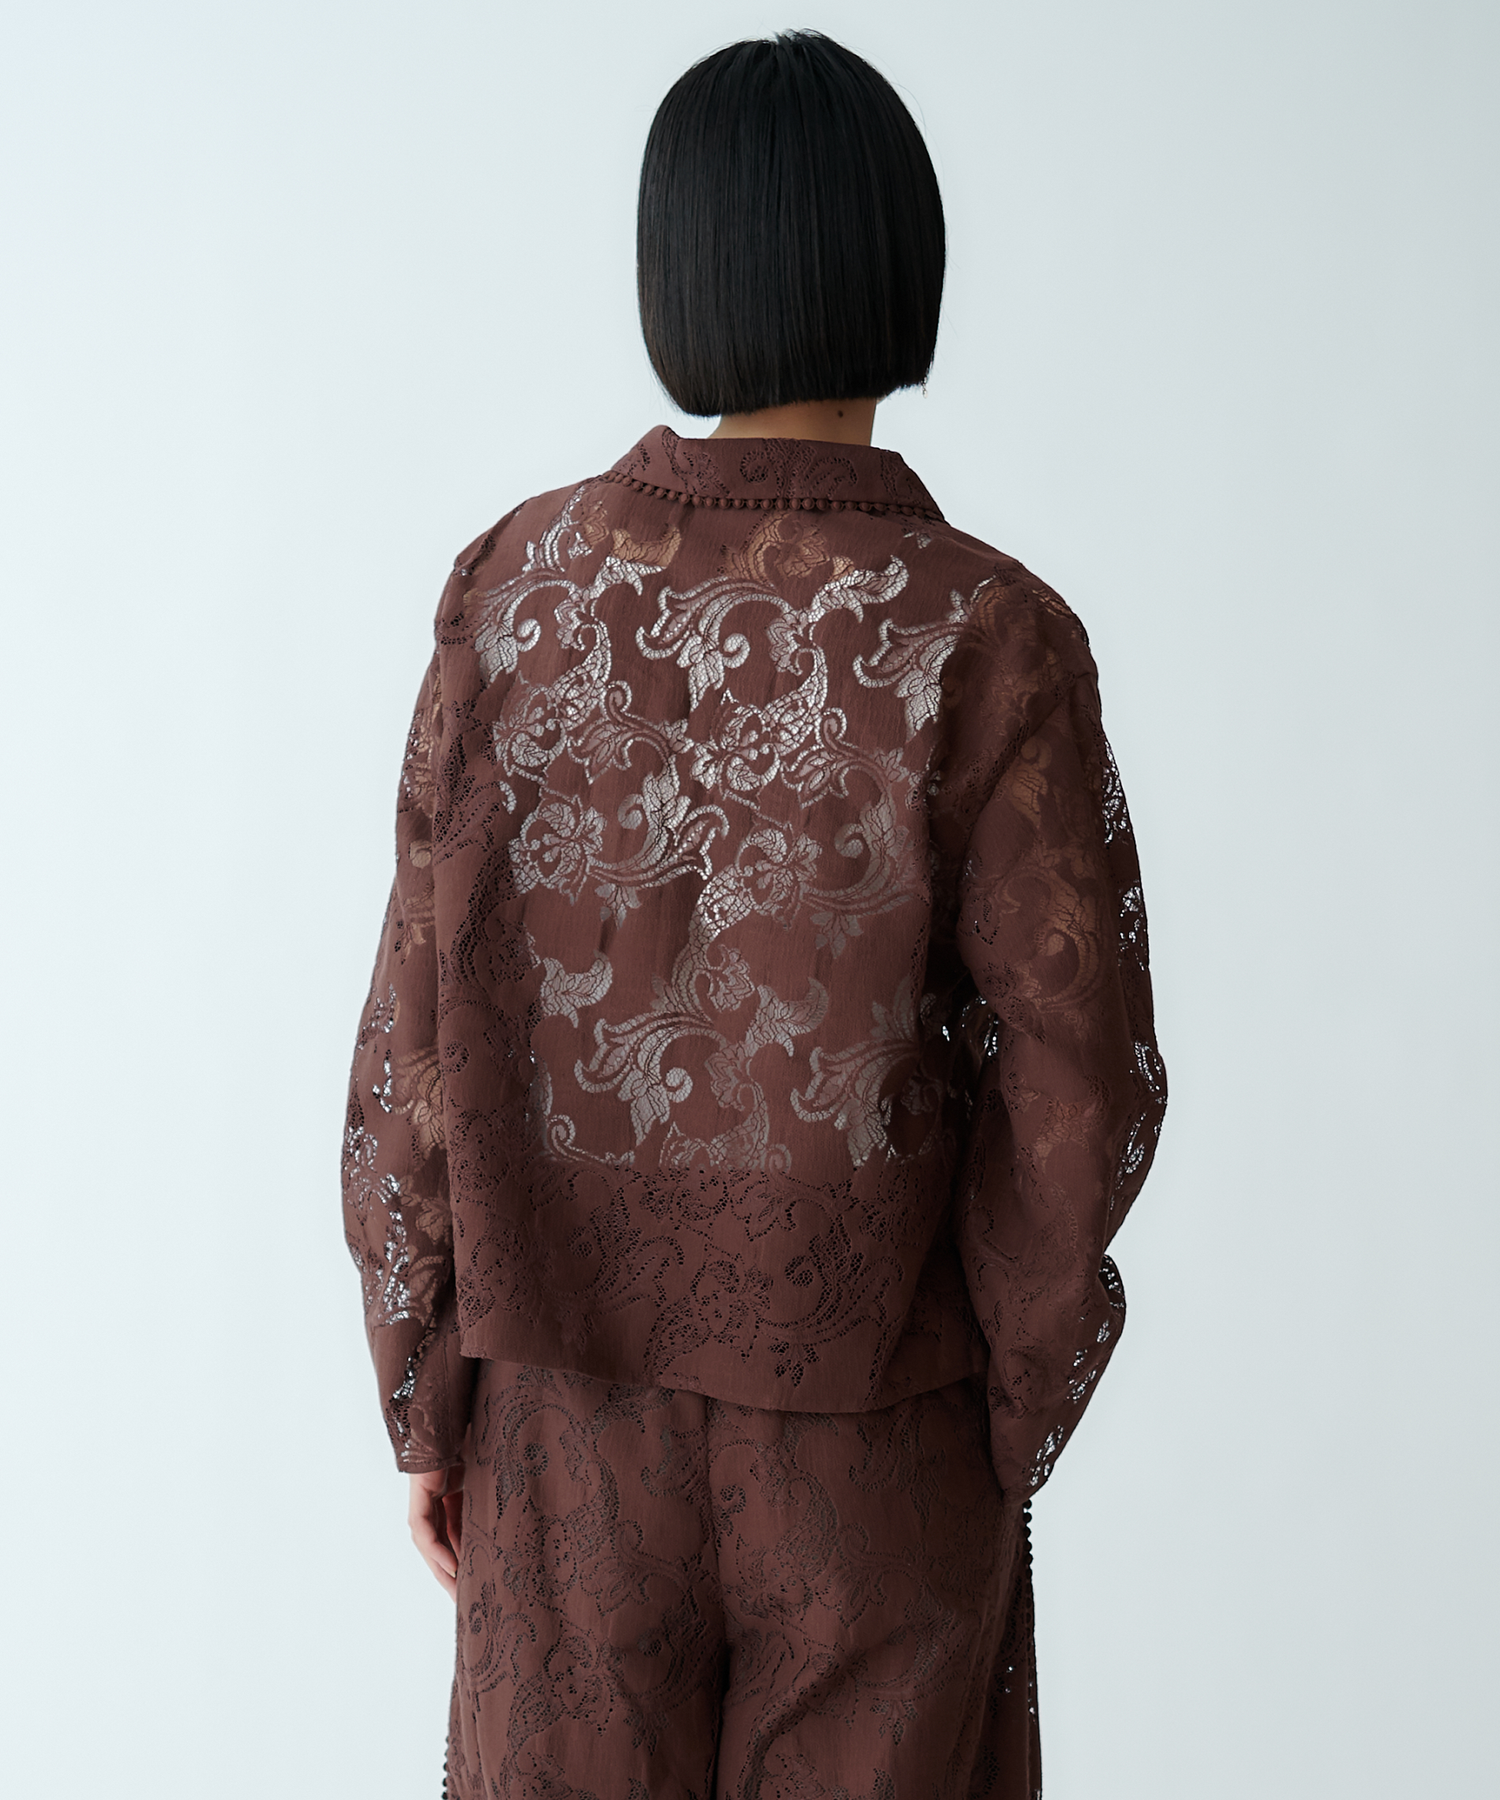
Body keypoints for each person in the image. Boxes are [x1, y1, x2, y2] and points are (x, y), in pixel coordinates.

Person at [340, 28, 1166, 1799]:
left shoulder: (512, 595)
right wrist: (1008, 1401)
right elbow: (1079, 1074)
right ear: (904, 262)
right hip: (882, 1440)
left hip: (562, 1441)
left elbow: (417, 1026)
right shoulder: (989, 633)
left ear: (678, 278)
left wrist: (425, 1394)